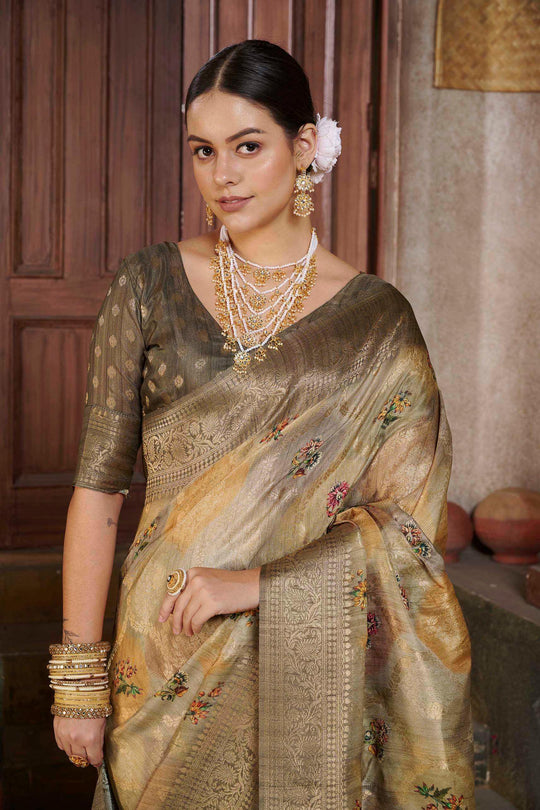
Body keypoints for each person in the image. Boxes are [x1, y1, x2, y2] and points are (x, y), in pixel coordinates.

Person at [51, 39, 475, 809]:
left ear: (304, 145)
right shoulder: (148, 284)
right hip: (162, 643)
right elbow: (99, 488)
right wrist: (78, 678)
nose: (224, 175)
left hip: (306, 655)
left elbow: (410, 530)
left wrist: (258, 585)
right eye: (203, 151)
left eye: (249, 146)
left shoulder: (378, 320)